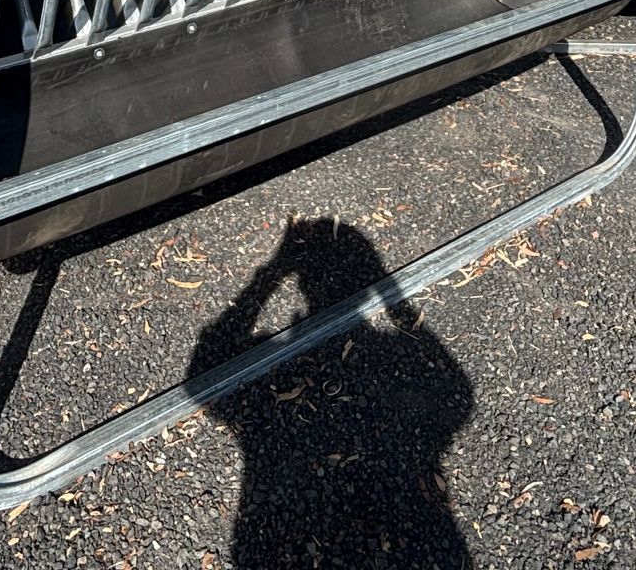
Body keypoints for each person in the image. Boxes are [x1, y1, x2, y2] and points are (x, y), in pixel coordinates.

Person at [191, 217, 474, 567]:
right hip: (424, 537)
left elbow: (203, 372)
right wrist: (395, 302)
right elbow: (456, 396)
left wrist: (271, 274)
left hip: (278, 530)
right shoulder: (393, 357)